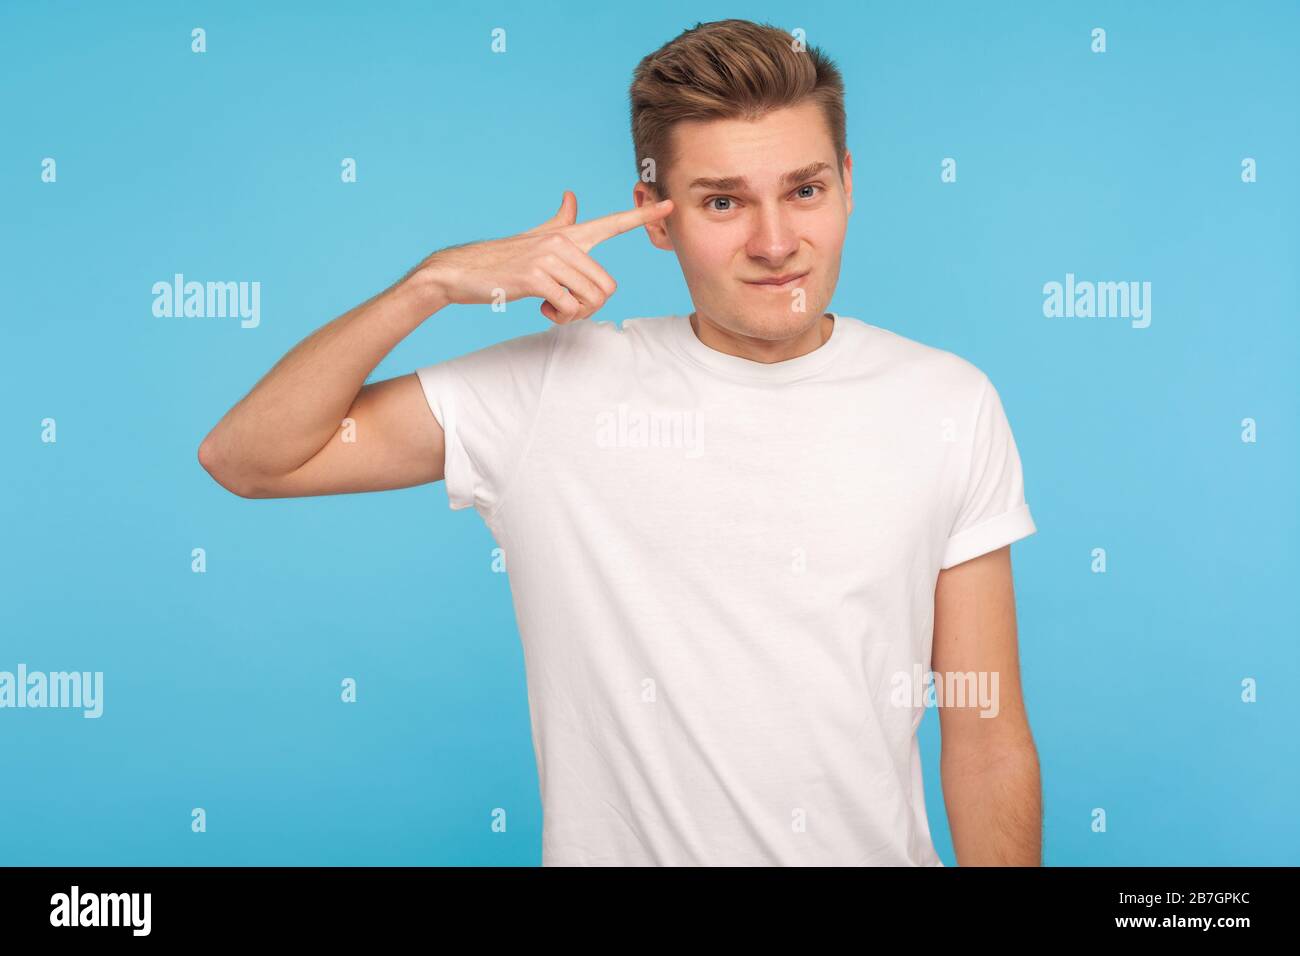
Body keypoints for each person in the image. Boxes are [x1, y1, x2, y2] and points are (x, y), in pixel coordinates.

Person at [198, 18, 1042, 866]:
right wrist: (431, 284)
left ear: (848, 182)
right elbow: (249, 457)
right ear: (654, 215)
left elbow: (985, 734)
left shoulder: (946, 401)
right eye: (723, 201)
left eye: (805, 190)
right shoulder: (548, 390)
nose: (776, 242)